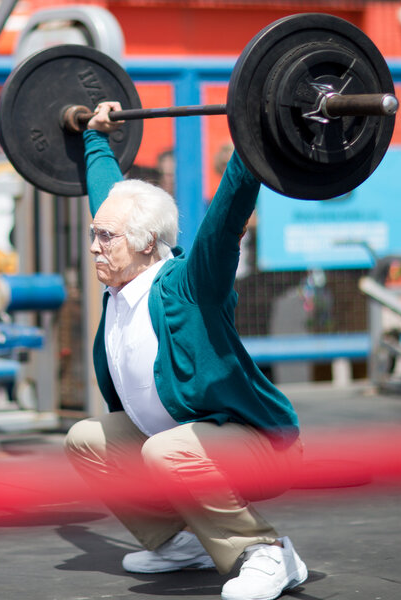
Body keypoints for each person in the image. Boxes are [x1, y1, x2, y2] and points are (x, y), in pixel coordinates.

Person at [63, 102, 307, 600]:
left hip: (255, 448)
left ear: (148, 242)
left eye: (105, 238)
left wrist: (254, 133)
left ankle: (267, 552)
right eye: (94, 234)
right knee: (87, 437)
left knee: (165, 450)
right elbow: (107, 196)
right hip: (175, 443)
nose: (94, 246)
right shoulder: (119, 290)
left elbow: (227, 214)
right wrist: (94, 137)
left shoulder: (188, 286)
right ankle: (179, 543)